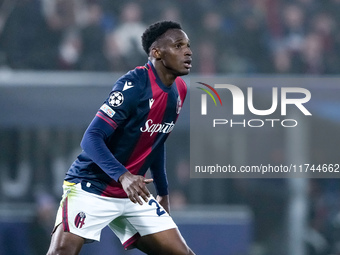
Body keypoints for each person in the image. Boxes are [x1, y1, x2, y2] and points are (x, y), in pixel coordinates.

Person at [46, 20, 194, 255]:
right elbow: (91, 137)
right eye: (178, 46)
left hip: (133, 193)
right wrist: (123, 176)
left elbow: (156, 141)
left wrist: (163, 193)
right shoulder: (134, 84)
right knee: (61, 252)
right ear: (156, 52)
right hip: (92, 185)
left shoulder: (180, 90)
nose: (187, 51)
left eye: (187, 45)